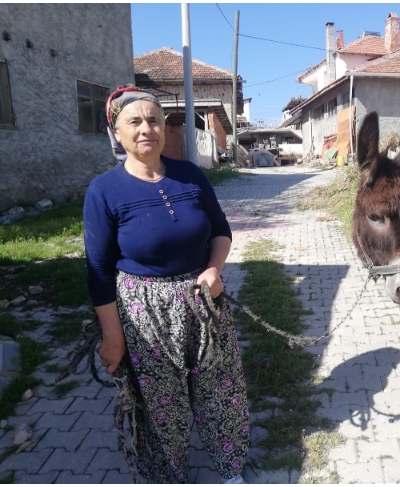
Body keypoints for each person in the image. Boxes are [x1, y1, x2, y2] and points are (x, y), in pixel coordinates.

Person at [83, 86, 249, 483]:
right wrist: (113, 337)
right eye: (134, 121)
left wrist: (213, 269)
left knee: (220, 391)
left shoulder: (190, 175)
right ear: (116, 133)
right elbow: (99, 270)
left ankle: (229, 472)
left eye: (154, 120)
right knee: (161, 404)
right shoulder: (104, 191)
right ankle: (168, 476)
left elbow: (221, 231)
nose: (147, 129)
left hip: (203, 301)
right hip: (145, 314)